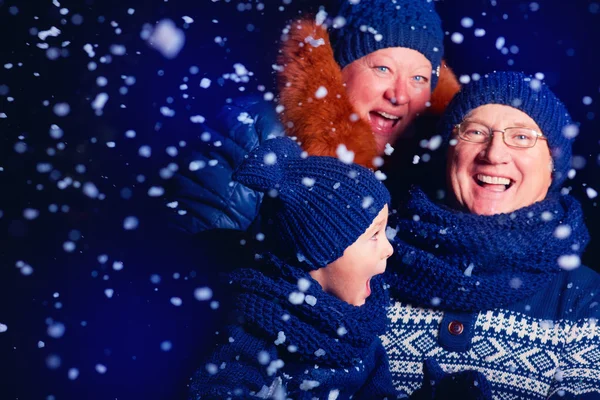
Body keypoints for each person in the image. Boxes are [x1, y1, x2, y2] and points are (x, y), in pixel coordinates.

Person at [188, 136, 493, 399]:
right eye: (373, 235)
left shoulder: (359, 335)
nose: (388, 248)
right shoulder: (252, 334)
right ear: (318, 252)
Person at [380, 71, 600, 399]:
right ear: (448, 153)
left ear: (553, 166)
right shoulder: (372, 265)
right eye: (475, 132)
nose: (494, 154)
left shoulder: (586, 300)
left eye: (522, 137)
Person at [168, 0, 460, 234]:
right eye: (382, 69)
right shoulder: (257, 131)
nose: (399, 95)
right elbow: (192, 257)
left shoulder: (433, 168)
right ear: (337, 68)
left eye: (419, 78)